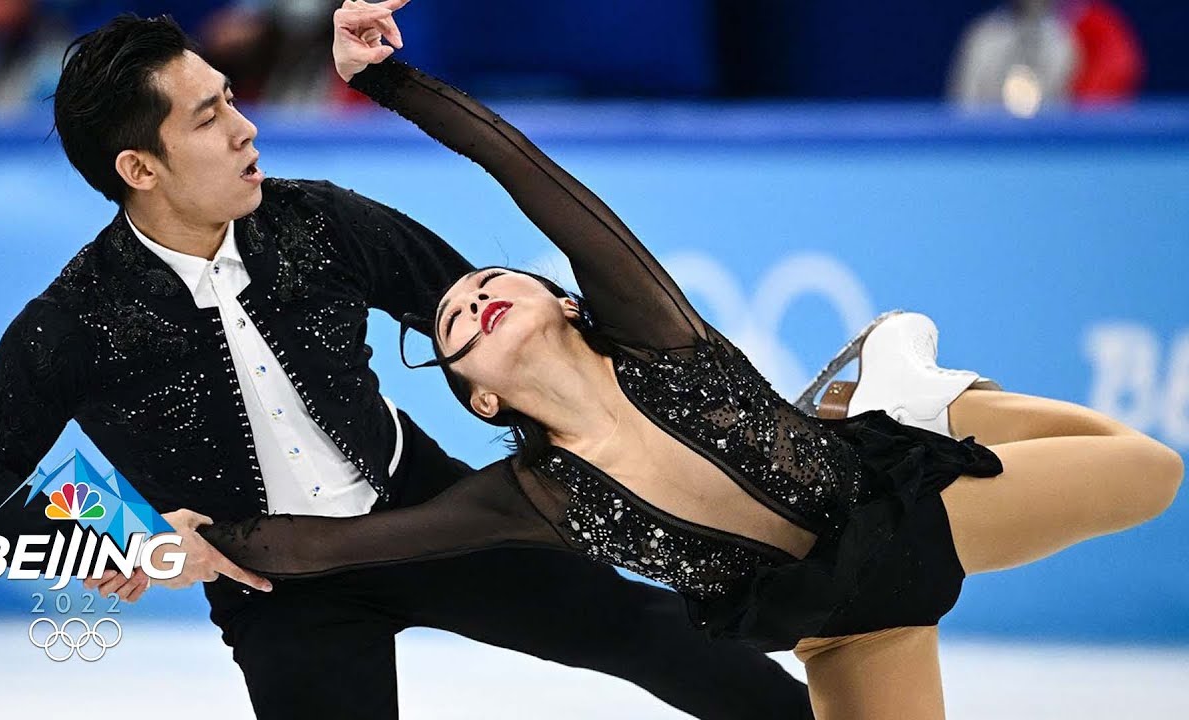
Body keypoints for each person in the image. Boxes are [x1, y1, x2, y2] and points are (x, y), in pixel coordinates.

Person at [201, 3, 1184, 718]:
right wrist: (185, 542)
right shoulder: (531, 497)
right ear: (482, 398)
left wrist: (385, 82)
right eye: (453, 320)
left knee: (1150, 471)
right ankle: (897, 403)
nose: (471, 296)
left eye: (491, 281)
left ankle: (912, 406)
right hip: (833, 622)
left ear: (562, 300)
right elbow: (332, 546)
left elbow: (519, 168)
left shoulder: (653, 335)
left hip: (893, 512)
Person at [0, 8, 814, 720]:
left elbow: (485, 311)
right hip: (276, 584)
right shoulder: (74, 322)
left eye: (231, 98)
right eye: (210, 118)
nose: (247, 127)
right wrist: (124, 535)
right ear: (139, 168)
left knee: (648, 631)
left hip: (424, 511)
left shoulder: (317, 222)